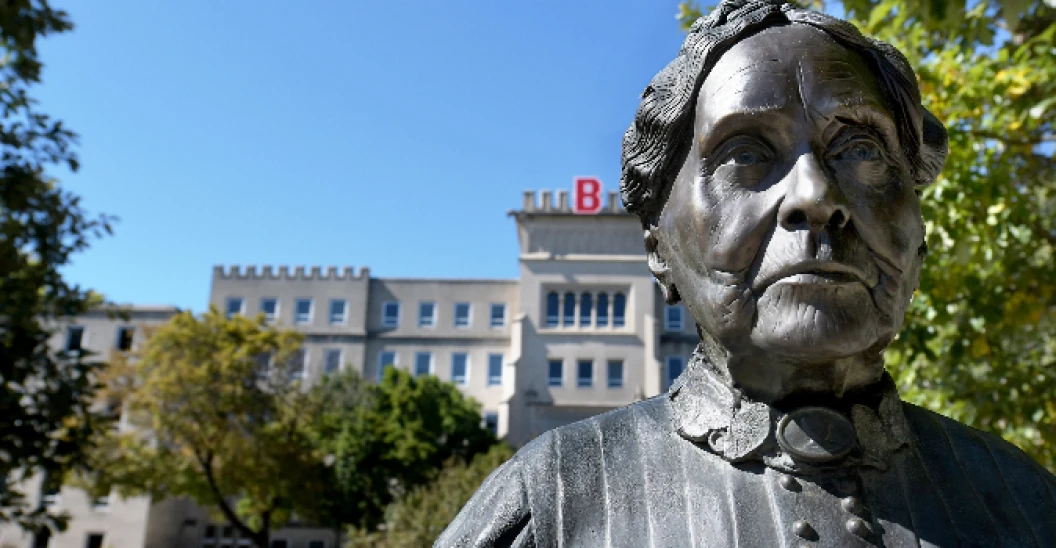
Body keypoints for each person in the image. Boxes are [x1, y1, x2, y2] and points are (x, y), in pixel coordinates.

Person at [437, 1, 1056, 546]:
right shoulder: (552, 508)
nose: (814, 194)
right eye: (745, 154)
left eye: (862, 150)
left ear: (918, 234)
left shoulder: (1028, 502)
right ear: (659, 248)